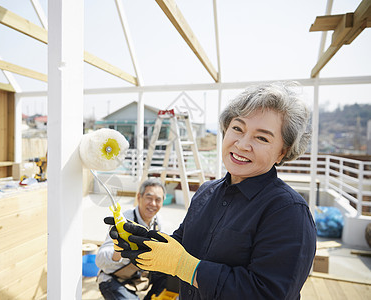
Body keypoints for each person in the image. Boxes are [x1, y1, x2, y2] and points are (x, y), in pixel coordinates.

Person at [116, 82, 317, 299]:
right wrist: (142, 241)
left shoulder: (287, 211)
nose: (242, 144)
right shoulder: (206, 192)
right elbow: (181, 245)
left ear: (282, 152)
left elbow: (269, 293)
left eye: (262, 138)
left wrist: (187, 268)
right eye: (237, 128)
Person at [96, 178, 168, 300]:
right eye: (149, 198)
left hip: (139, 277)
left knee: (170, 273)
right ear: (139, 197)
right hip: (114, 278)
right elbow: (100, 260)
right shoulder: (123, 221)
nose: (153, 204)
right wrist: (118, 251)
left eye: (158, 200)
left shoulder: (157, 221)